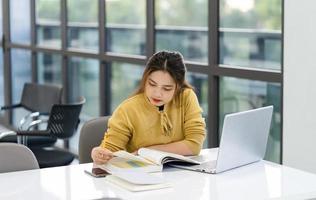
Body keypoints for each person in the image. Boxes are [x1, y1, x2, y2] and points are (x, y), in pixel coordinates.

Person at [91, 51, 206, 164]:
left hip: (181, 175)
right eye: (152, 84)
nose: (157, 94)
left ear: (178, 87)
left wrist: (145, 151)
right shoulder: (127, 109)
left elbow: (194, 145)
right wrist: (99, 154)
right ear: (145, 79)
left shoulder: (186, 97)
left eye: (166, 88)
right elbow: (110, 152)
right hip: (141, 176)